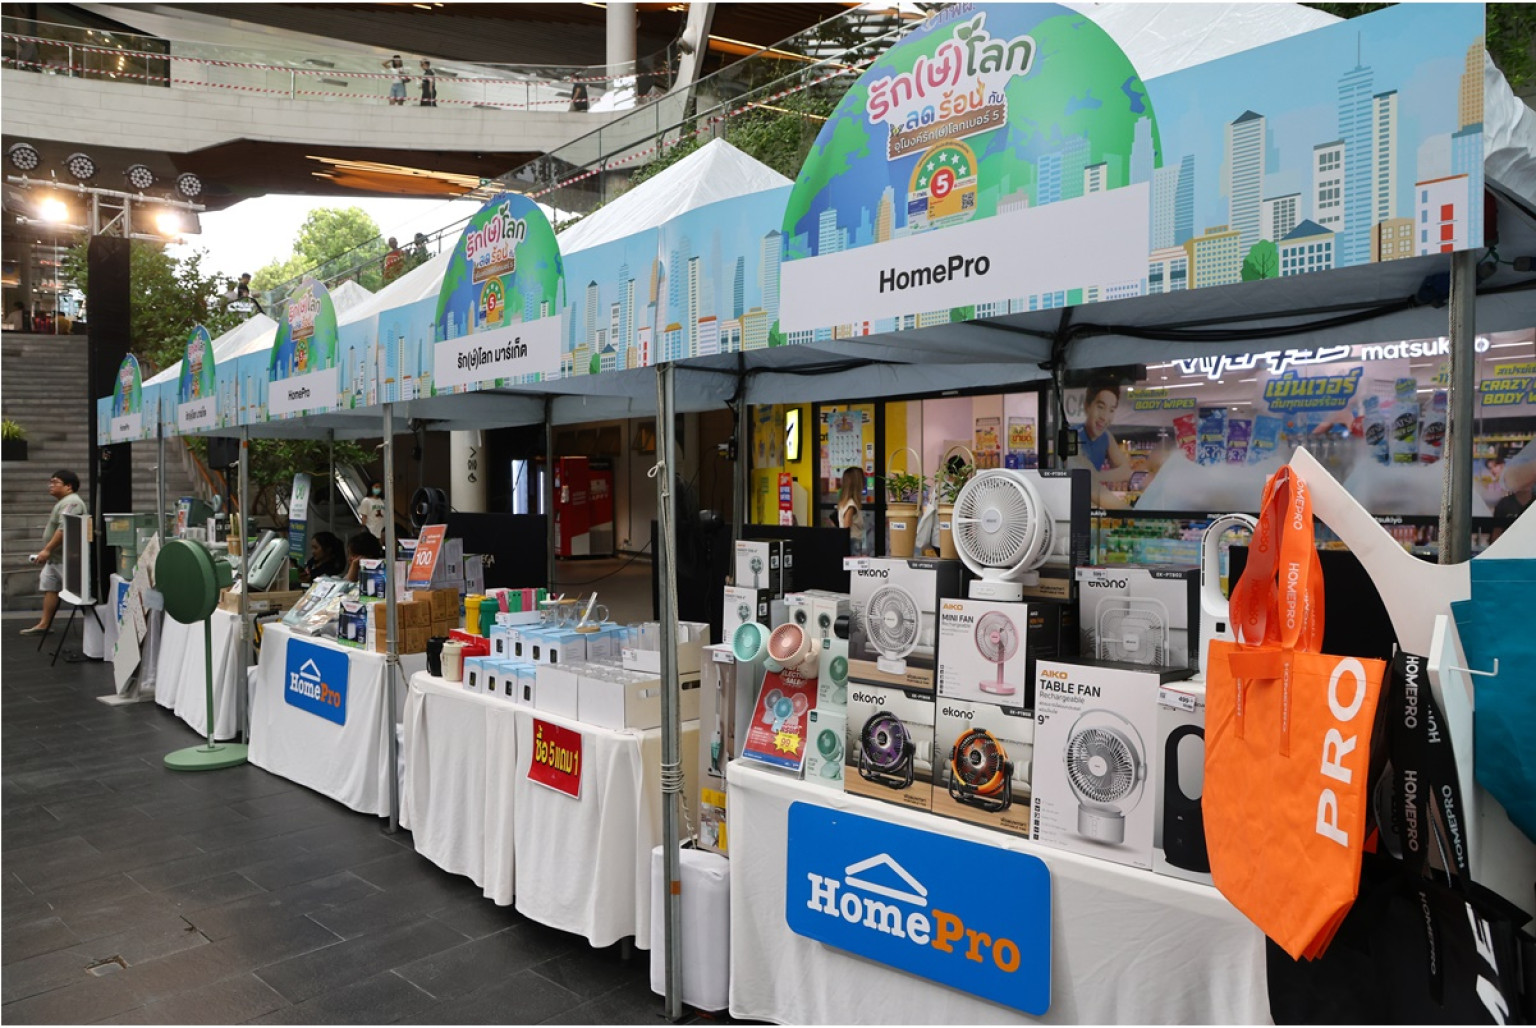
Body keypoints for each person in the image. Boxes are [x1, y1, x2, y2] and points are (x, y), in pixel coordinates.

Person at [21, 470, 87, 636]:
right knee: (50, 588)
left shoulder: (72, 502)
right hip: (56, 558)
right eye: (51, 482)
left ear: (68, 486)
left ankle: (94, 624)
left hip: (68, 558)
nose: (51, 485)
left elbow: (64, 529)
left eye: (55, 482)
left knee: (80, 593)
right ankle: (44, 624)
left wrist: (47, 550)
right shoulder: (64, 502)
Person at [1076, 377, 1132, 476]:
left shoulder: (1106, 437)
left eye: (1111, 410)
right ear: (1087, 406)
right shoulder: (1074, 435)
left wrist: (1099, 477)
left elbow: (1126, 471)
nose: (1104, 417)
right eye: (1100, 407)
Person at [836, 466, 872, 556]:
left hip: (850, 543)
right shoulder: (851, 506)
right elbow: (846, 528)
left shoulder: (845, 503)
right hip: (853, 543)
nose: (864, 483)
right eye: (863, 480)